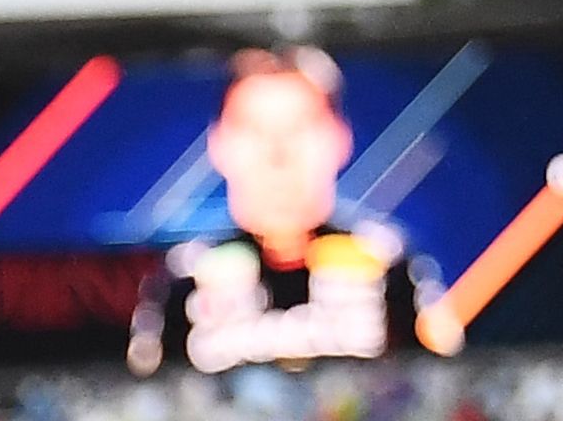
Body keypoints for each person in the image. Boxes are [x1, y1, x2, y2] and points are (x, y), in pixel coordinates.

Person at [128, 47, 459, 377]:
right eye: (253, 129)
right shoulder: (182, 278)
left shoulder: (390, 266)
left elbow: (448, 387)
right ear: (219, 143)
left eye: (298, 127)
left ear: (338, 138)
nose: (277, 153)